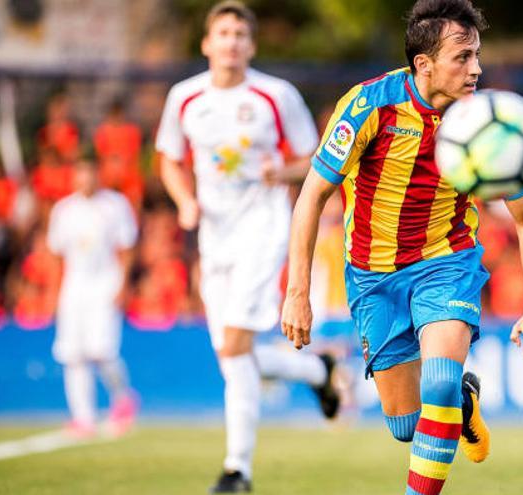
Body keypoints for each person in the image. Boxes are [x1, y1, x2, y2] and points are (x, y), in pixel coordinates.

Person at [280, 1, 523, 494]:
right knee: (405, 423)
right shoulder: (369, 106)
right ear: (423, 64)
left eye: (477, 56)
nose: (477, 69)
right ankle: (463, 405)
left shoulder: (485, 120)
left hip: (445, 262)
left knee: (439, 385)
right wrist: (297, 291)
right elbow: (312, 196)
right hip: (372, 274)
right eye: (463, 57)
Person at [154, 2, 340, 492]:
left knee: (236, 347)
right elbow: (169, 159)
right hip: (214, 238)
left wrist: (282, 172)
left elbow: (317, 160)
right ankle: (314, 369)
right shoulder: (185, 98)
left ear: (251, 46)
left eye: (240, 33)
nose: (232, 41)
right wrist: (184, 201)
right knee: (232, 355)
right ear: (207, 44)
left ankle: (238, 469)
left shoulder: (275, 96)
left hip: (264, 227)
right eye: (223, 32)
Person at [47, 160, 139, 438]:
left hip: (105, 282)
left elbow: (126, 248)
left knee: (102, 351)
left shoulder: (115, 205)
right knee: (72, 353)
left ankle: (123, 398)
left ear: (98, 175)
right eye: (80, 174)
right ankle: (82, 417)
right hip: (74, 285)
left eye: (90, 174)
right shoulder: (64, 210)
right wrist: (54, 290)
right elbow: (56, 254)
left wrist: (123, 284)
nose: (85, 179)